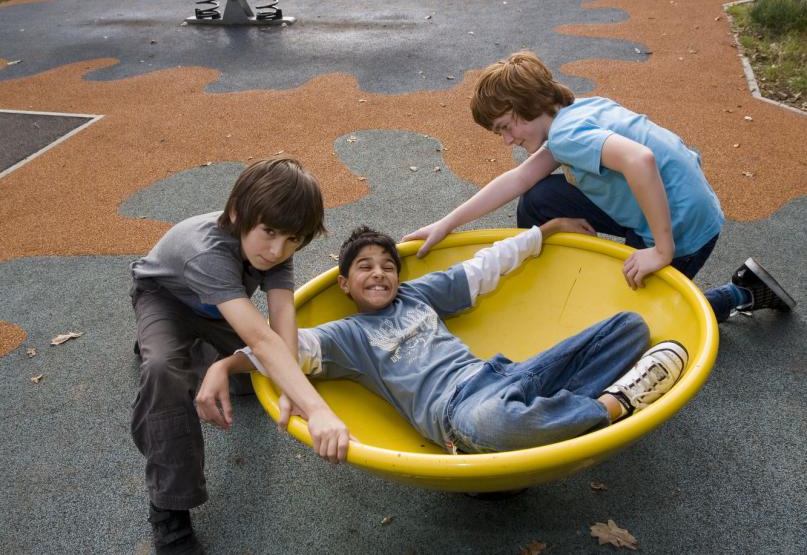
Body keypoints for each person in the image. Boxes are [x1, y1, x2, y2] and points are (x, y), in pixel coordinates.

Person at [227, 224, 688, 456]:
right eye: (364, 267)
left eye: (388, 265)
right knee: (494, 425)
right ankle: (615, 404)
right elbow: (282, 349)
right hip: (458, 414)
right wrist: (225, 367)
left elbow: (484, 268)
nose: (379, 273)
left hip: (503, 374)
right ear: (345, 285)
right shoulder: (348, 336)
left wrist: (545, 231)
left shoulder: (418, 295)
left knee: (629, 327)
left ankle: (558, 412)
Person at [403, 51, 796, 322]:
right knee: (538, 198)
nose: (506, 139)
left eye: (506, 127)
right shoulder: (572, 115)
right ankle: (560, 284)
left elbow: (640, 160)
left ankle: (741, 293)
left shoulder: (567, 135)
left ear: (529, 103)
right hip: (665, 206)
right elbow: (518, 178)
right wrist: (446, 224)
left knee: (631, 328)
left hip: (682, 229)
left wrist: (661, 250)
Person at [129, 157, 350, 555]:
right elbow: (263, 340)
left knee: (256, 381)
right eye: (269, 233)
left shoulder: (279, 242)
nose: (278, 250)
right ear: (237, 213)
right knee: (164, 373)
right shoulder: (207, 252)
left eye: (293, 240)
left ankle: (196, 352)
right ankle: (169, 509)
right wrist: (316, 409)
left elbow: (283, 320)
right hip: (167, 299)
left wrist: (292, 387)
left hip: (220, 310)